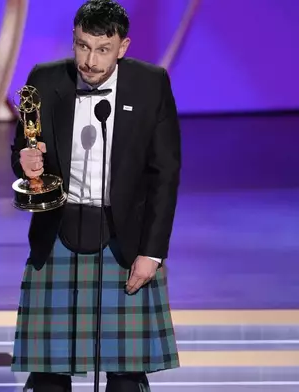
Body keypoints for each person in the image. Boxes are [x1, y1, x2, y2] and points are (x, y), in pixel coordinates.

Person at [9, 1, 182, 391]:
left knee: (125, 376)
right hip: (58, 234)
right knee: (48, 375)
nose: (90, 60)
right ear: (73, 40)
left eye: (102, 49)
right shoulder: (45, 79)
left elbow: (165, 174)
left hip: (125, 240)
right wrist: (26, 163)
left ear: (123, 47)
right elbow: (23, 147)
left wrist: (152, 253)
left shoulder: (151, 84)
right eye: (82, 46)